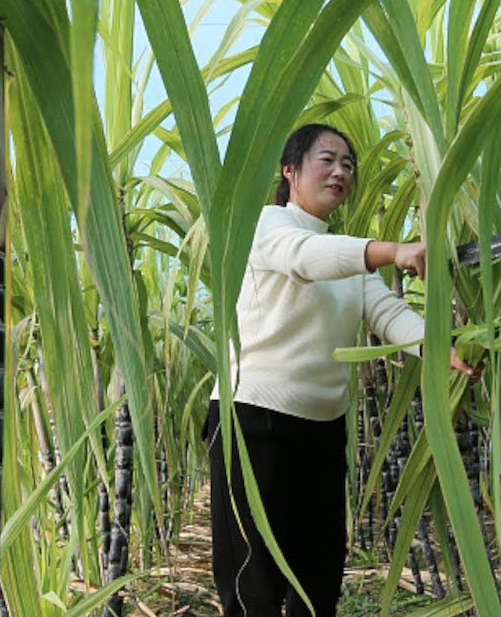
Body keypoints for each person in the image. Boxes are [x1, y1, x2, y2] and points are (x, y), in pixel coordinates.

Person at [205, 123, 479, 617]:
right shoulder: (265, 225)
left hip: (322, 431)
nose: (340, 171)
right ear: (290, 171)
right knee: (255, 580)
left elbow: (388, 314)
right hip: (253, 423)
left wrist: (442, 349)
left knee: (319, 573)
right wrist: (392, 251)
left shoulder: (349, 255)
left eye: (348, 164)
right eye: (327, 159)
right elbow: (306, 258)